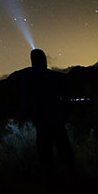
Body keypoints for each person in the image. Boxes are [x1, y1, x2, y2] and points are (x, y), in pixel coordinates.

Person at [23, 48, 75, 181]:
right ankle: (74, 184)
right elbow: (67, 100)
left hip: (43, 124)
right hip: (57, 122)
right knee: (66, 156)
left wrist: (35, 120)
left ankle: (52, 188)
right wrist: (63, 118)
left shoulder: (30, 80)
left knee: (46, 160)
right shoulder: (55, 77)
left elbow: (27, 103)